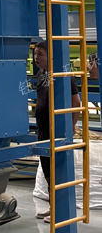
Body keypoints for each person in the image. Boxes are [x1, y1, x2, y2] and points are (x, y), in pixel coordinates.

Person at [32, 40, 80, 222]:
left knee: (57, 172)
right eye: (35, 54)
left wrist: (71, 126)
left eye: (40, 54)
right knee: (47, 171)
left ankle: (59, 211)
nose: (36, 58)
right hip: (42, 130)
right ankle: (53, 207)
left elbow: (76, 102)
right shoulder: (41, 74)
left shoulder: (63, 74)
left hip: (56, 131)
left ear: (50, 56)